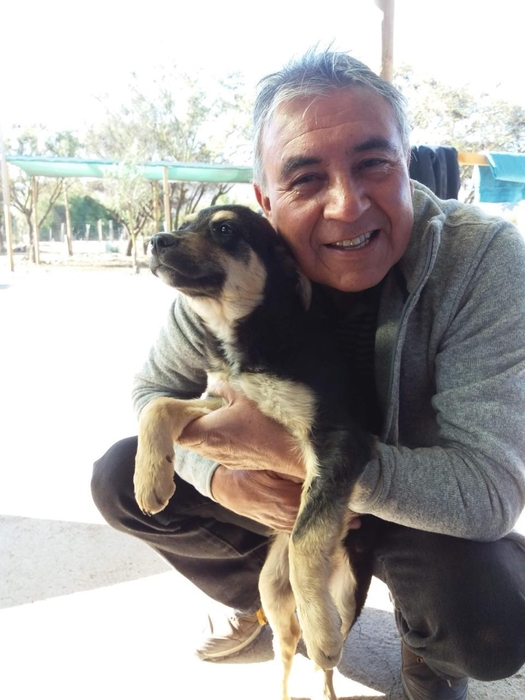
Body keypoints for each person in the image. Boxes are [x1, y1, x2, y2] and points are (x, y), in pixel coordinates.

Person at [91, 49, 525, 700]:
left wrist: (299, 460)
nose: (347, 205)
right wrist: (223, 477)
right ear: (265, 202)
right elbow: (154, 391)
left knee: (488, 626)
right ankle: (269, 606)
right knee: (120, 477)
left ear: (406, 165)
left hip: (418, 505)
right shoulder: (232, 269)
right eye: (305, 178)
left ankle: (426, 647)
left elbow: (489, 492)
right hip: (282, 504)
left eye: (372, 164)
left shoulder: (481, 262)